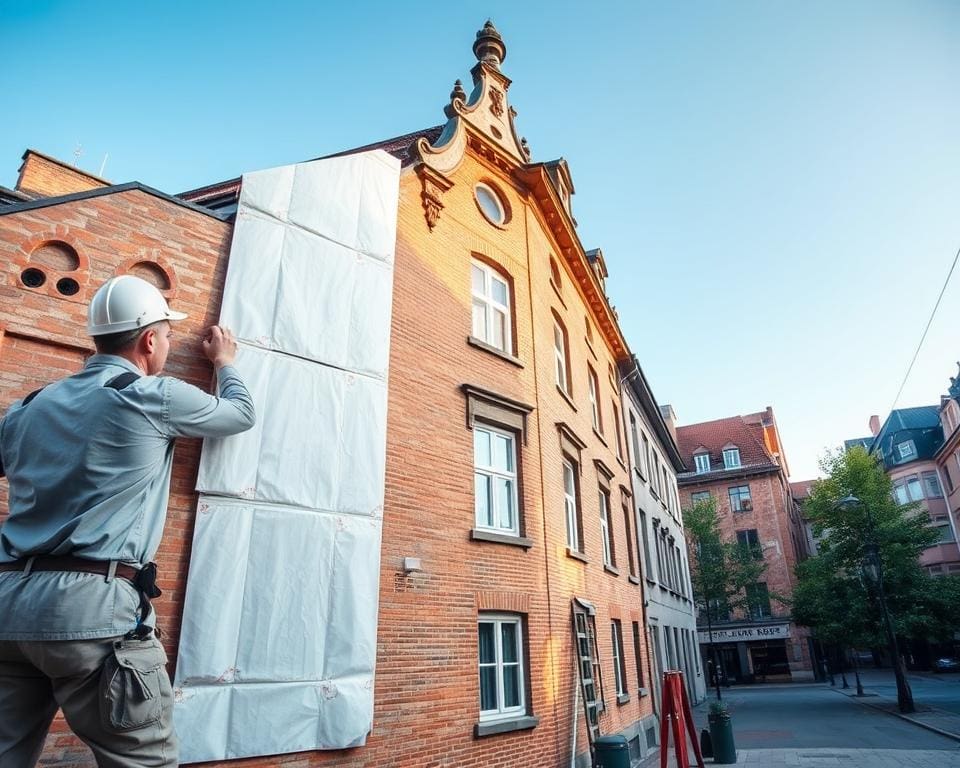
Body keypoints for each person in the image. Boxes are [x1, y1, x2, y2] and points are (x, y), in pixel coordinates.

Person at [0, 275, 256, 768]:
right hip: (90, 608)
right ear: (149, 340)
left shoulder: (27, 407)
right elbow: (239, 415)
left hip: (10, 605)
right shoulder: (150, 394)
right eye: (165, 334)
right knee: (142, 760)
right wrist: (224, 363)